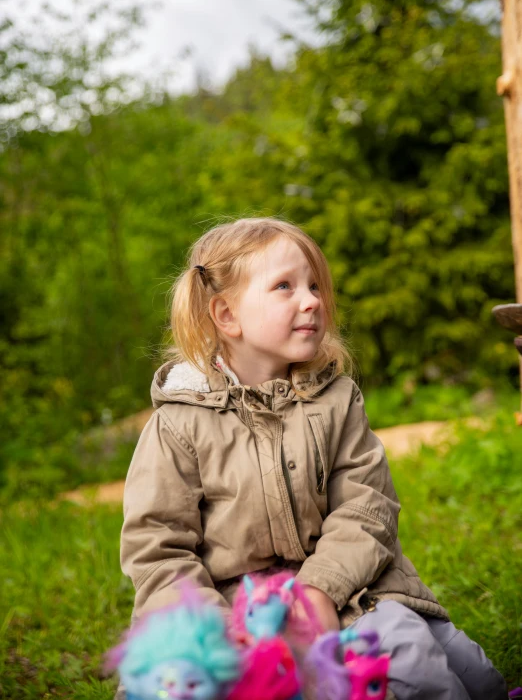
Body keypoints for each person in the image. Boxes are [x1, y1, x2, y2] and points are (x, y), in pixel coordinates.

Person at [118, 217, 507, 700]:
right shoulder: (179, 423)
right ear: (226, 315)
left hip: (350, 590)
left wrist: (321, 589)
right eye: (285, 286)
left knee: (457, 674)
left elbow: (367, 507)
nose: (312, 300)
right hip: (241, 614)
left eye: (315, 285)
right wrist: (219, 636)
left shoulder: (336, 400)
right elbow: (159, 549)